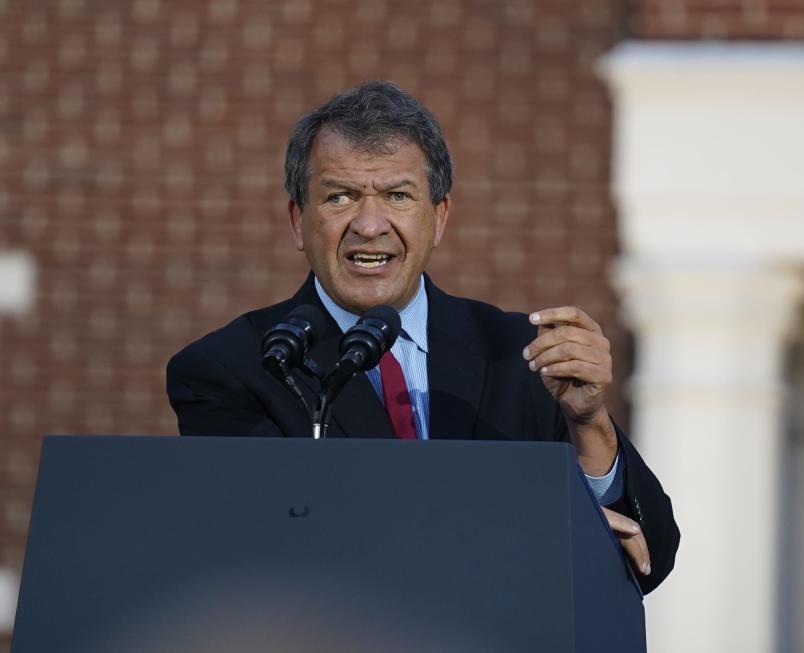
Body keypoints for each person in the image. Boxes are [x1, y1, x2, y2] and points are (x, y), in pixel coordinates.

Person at [167, 81, 679, 594]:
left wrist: (589, 425)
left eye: (398, 195)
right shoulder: (233, 368)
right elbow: (267, 547)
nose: (369, 225)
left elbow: (646, 559)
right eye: (339, 196)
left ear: (439, 218)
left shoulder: (519, 354)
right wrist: (531, 528)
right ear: (299, 221)